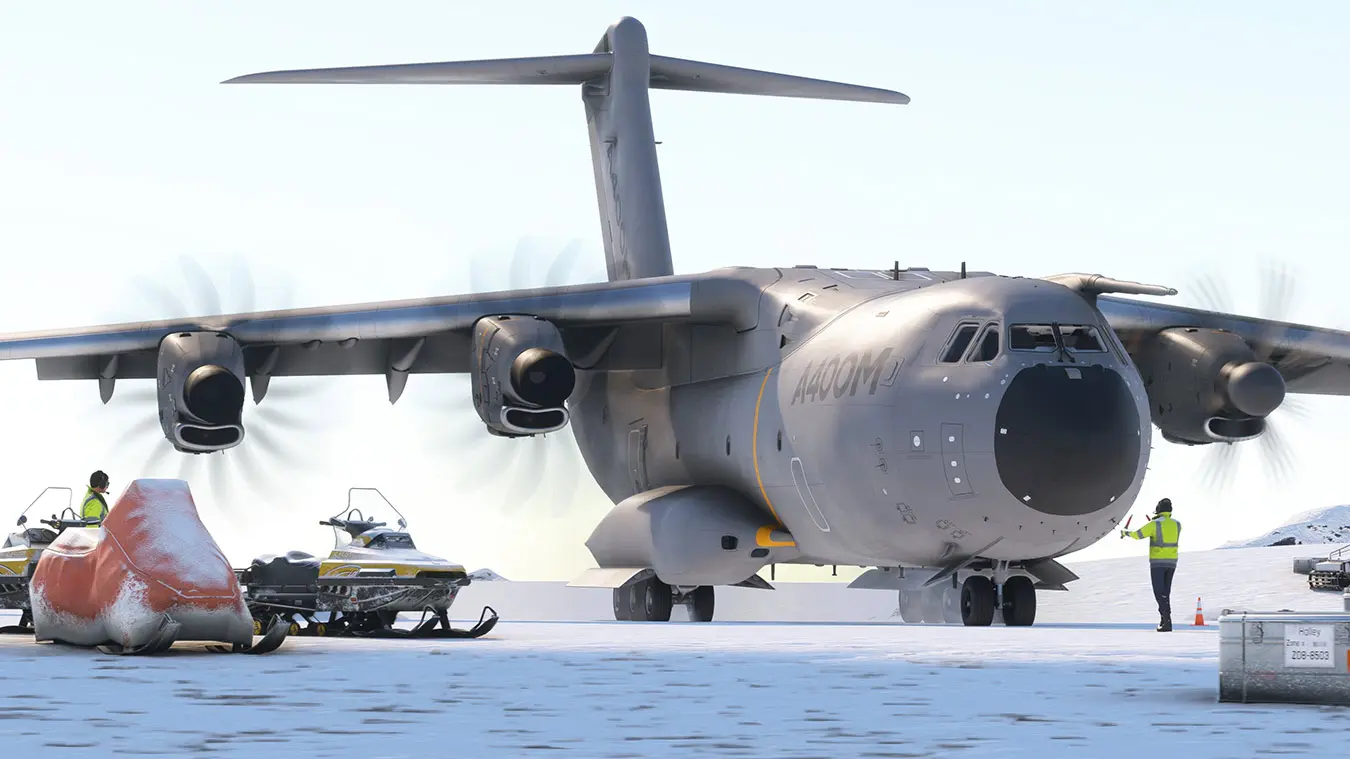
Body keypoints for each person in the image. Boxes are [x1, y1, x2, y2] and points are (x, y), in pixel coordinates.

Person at [1121, 498, 1182, 632]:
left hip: (1158, 563)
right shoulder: (1177, 524)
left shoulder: (1155, 524)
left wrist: (1125, 532)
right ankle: (1164, 619)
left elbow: (1138, 535)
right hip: (1172, 562)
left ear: (1158, 509)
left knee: (1159, 592)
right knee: (1166, 592)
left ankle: (1166, 621)